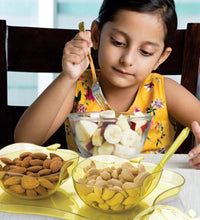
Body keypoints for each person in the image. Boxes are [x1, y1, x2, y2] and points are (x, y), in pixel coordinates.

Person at [14, 0, 200, 169]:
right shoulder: (76, 88)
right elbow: (25, 139)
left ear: (161, 57)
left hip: (150, 193)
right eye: (118, 42)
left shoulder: (163, 91)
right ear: (95, 35)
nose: (127, 59)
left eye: (145, 51)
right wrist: (67, 77)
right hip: (88, 191)